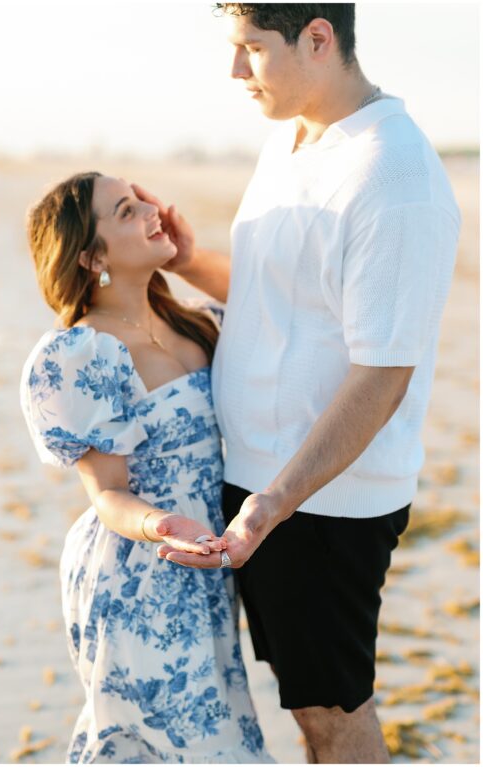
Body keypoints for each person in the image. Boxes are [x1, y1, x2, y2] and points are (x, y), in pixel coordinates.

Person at [151, 4, 461, 763]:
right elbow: (280, 292)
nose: (234, 71)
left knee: (334, 712)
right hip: (260, 483)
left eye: (250, 50)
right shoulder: (292, 137)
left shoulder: (395, 174)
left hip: (321, 504)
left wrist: (276, 502)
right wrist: (191, 261)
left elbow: (383, 372)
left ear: (317, 38)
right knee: (304, 703)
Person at [20, 172, 271, 763]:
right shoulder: (83, 353)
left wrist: (183, 258)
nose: (153, 211)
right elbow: (107, 494)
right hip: (140, 573)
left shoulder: (191, 322)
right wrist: (163, 524)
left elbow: (274, 303)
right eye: (128, 211)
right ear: (90, 255)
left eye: (143, 201)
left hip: (207, 569)